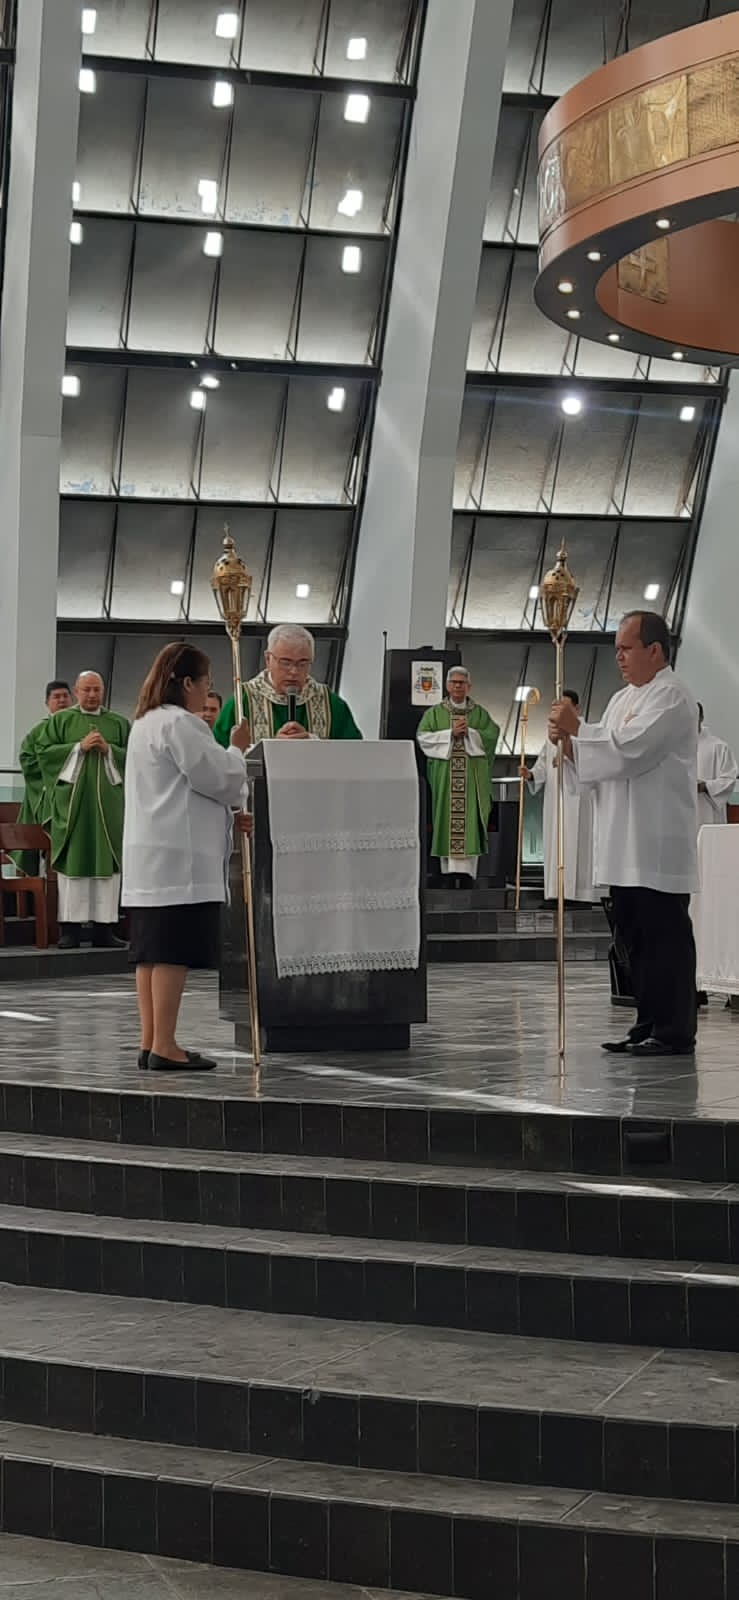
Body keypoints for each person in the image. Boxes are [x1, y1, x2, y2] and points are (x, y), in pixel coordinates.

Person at [548, 611, 698, 1058]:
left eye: (626, 648)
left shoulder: (672, 696)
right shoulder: (621, 698)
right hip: (622, 840)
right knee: (634, 938)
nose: (618, 657)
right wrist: (569, 744)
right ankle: (647, 1022)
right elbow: (602, 756)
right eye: (616, 650)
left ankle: (674, 1030)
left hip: (654, 841)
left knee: (664, 937)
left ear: (654, 650)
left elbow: (632, 749)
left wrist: (579, 731)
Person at [122, 641, 252, 1073]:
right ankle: (165, 1045)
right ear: (187, 683)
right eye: (206, 683)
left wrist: (230, 817)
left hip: (151, 855)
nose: (208, 692)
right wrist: (237, 748)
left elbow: (182, 790)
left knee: (151, 953)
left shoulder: (144, 722)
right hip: (179, 859)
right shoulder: (181, 724)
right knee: (172, 952)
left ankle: (150, 1041)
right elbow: (219, 779)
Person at [36, 672, 129, 950]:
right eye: (86, 689)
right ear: (76, 691)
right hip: (73, 807)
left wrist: (109, 750)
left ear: (103, 691)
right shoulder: (61, 721)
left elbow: (136, 758)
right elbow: (43, 753)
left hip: (109, 809)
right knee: (74, 864)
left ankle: (105, 929)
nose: (92, 695)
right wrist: (78, 748)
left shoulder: (119, 723)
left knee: (107, 865)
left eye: (96, 689)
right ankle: (71, 931)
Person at [213, 624, 361, 746]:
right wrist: (271, 749)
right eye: (285, 662)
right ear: (268, 659)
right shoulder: (242, 700)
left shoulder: (331, 704)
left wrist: (313, 743)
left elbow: (355, 755)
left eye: (302, 663)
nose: (294, 671)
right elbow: (219, 757)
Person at [416, 667, 499, 882]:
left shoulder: (479, 714)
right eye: (454, 682)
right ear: (447, 685)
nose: (457, 686)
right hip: (446, 781)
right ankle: (447, 875)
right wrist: (450, 734)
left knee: (469, 822)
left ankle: (468, 875)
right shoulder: (435, 713)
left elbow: (492, 735)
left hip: (470, 782)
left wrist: (470, 733)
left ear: (469, 686)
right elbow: (423, 737)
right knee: (447, 821)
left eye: (462, 682)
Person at [521, 690, 594, 904]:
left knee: (576, 843)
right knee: (555, 842)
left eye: (565, 707)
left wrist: (568, 756)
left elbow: (593, 763)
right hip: (555, 800)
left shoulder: (585, 733)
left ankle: (578, 894)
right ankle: (556, 892)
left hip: (577, 800)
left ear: (576, 709)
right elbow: (542, 765)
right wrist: (530, 774)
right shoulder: (551, 736)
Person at [13, 681, 73, 873]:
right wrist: (51, 773)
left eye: (65, 696)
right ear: (47, 703)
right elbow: (27, 760)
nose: (62, 700)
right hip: (46, 794)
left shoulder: (78, 728)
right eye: (56, 697)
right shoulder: (39, 731)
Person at [697, 702, 737, 828]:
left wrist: (705, 786)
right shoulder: (675, 748)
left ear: (701, 717)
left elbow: (729, 779)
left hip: (708, 812)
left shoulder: (718, 747)